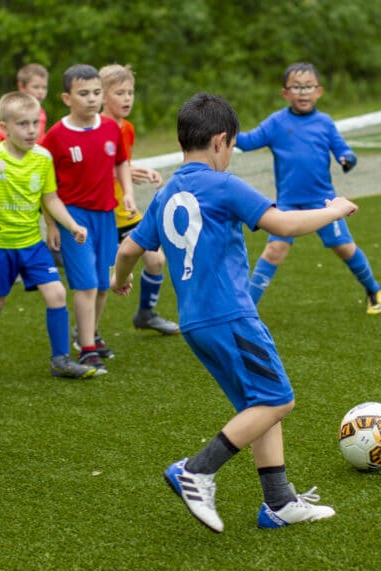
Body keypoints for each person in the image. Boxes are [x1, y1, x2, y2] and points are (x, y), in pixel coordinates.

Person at [111, 93, 358, 532]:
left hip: (195, 322)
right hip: (231, 314)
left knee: (257, 402)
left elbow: (129, 247)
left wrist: (119, 280)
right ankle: (196, 470)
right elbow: (282, 224)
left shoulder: (168, 190)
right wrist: (333, 209)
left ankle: (278, 503)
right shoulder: (221, 185)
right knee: (279, 399)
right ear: (222, 141)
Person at [236, 61, 381, 314]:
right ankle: (246, 310)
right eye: (296, 87)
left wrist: (348, 159)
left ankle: (373, 289)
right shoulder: (276, 123)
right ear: (285, 93)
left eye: (308, 87)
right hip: (288, 205)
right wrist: (225, 129)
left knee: (345, 248)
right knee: (274, 251)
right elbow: (248, 142)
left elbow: (343, 149)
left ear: (319, 91)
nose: (303, 92)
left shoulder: (325, 123)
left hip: (324, 203)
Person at [0, 91, 97, 379]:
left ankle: (61, 360)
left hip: (32, 244)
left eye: (35, 123)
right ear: (4, 127)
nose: (31, 130)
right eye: (23, 124)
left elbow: (50, 198)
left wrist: (69, 225)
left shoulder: (43, 158)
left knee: (56, 294)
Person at [43, 64, 134, 372]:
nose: (92, 99)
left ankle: (90, 333)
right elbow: (46, 187)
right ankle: (87, 349)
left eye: (96, 92)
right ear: (67, 98)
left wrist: (129, 195)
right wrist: (53, 223)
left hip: (106, 215)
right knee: (85, 286)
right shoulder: (55, 137)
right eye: (84, 93)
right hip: (74, 218)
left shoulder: (111, 127)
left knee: (102, 284)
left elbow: (121, 163)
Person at [99, 63, 178, 336]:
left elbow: (120, 165)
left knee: (156, 260)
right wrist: (130, 172)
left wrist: (133, 171)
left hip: (125, 209)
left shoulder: (128, 128)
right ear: (102, 96)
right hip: (99, 212)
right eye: (120, 93)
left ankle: (146, 313)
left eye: (130, 92)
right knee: (99, 279)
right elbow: (92, 171)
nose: (127, 98)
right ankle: (88, 335)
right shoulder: (96, 127)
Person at [0, 63, 49, 144]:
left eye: (44, 87)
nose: (41, 92)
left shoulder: (41, 112)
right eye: (36, 87)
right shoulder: (17, 111)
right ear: (21, 87)